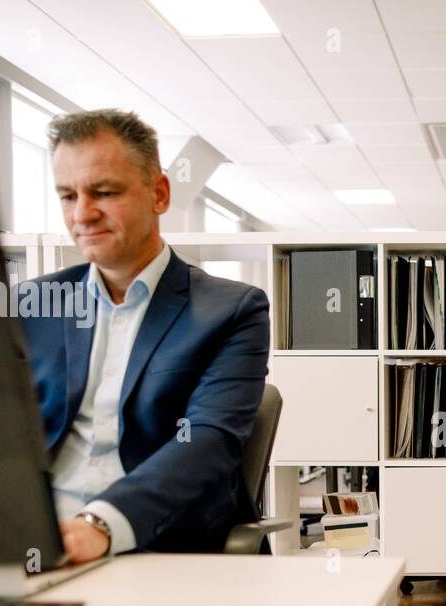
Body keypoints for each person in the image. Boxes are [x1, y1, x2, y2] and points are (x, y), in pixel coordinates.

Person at [21, 109, 269, 562]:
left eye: (104, 192)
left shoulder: (231, 310)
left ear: (158, 194)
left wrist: (100, 525)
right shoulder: (31, 305)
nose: (82, 214)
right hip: (36, 549)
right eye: (67, 196)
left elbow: (209, 440)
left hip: (159, 546)